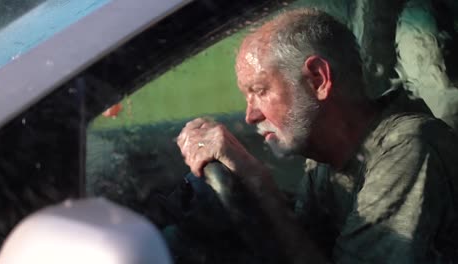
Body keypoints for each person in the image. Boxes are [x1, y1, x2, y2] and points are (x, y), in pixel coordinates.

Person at [177, 8, 458, 263]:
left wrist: (257, 180)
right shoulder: (325, 159)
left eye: (260, 91)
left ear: (318, 79)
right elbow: (303, 244)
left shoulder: (407, 149)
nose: (250, 115)